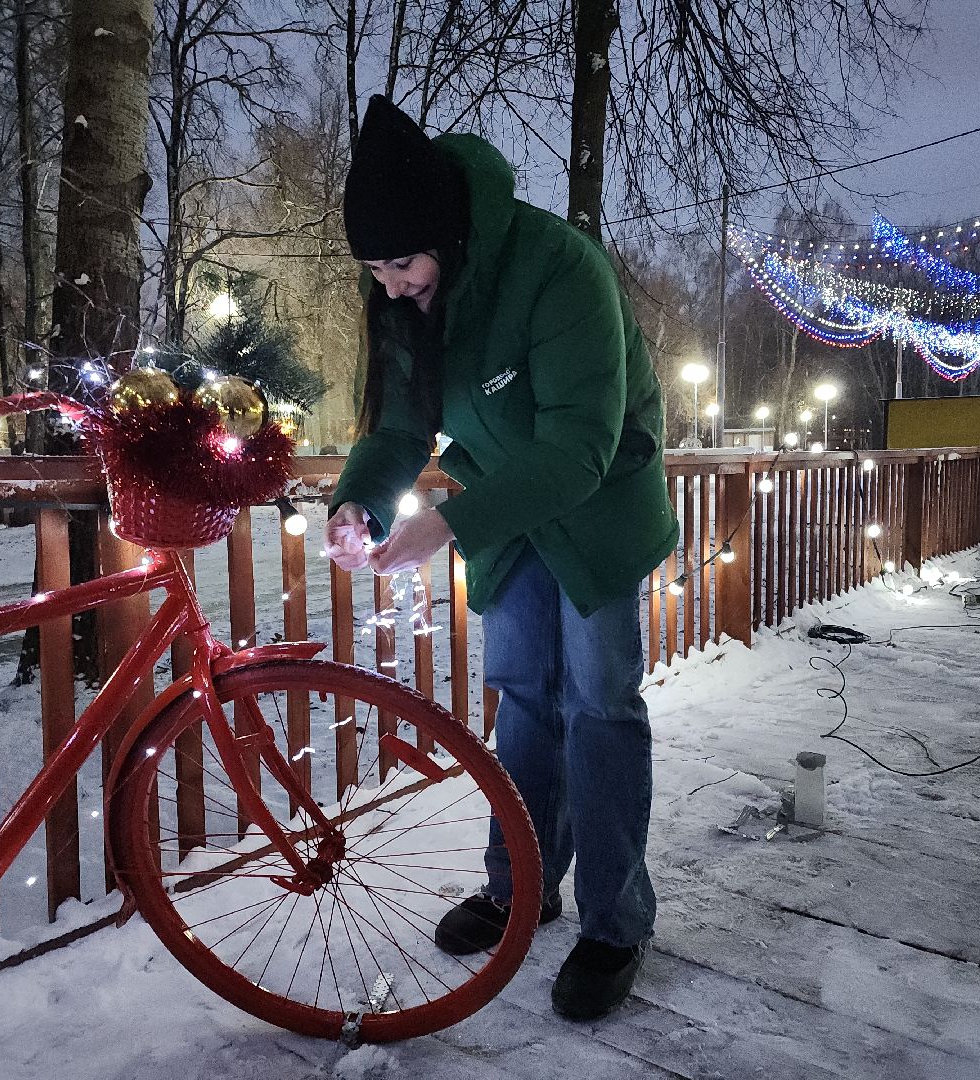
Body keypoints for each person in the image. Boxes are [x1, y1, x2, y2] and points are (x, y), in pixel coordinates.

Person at [323, 95, 678, 1022]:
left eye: (402, 263)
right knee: (523, 696)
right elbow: (400, 426)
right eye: (374, 269)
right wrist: (357, 496)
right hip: (508, 516)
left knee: (598, 704)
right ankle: (519, 885)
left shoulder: (559, 268)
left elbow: (579, 449)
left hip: (595, 507)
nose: (391, 285)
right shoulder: (407, 297)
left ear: (448, 234)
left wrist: (450, 525)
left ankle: (615, 920)